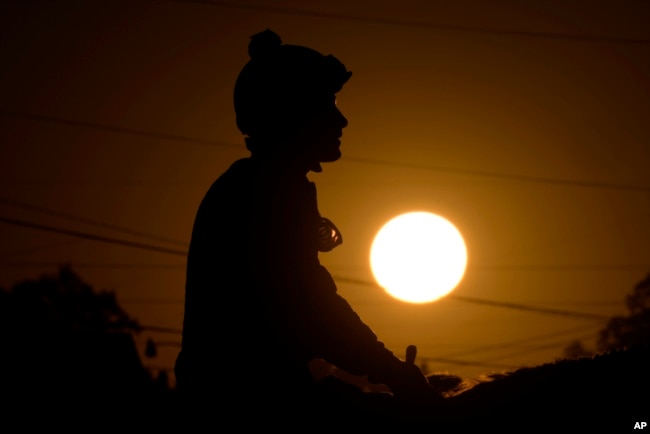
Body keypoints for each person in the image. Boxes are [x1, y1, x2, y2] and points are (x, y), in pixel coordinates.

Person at [175, 29, 437, 423]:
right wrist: (394, 372)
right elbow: (311, 309)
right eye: (327, 104)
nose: (341, 118)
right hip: (247, 400)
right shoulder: (267, 194)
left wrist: (384, 370)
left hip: (245, 391)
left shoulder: (260, 186)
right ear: (293, 112)